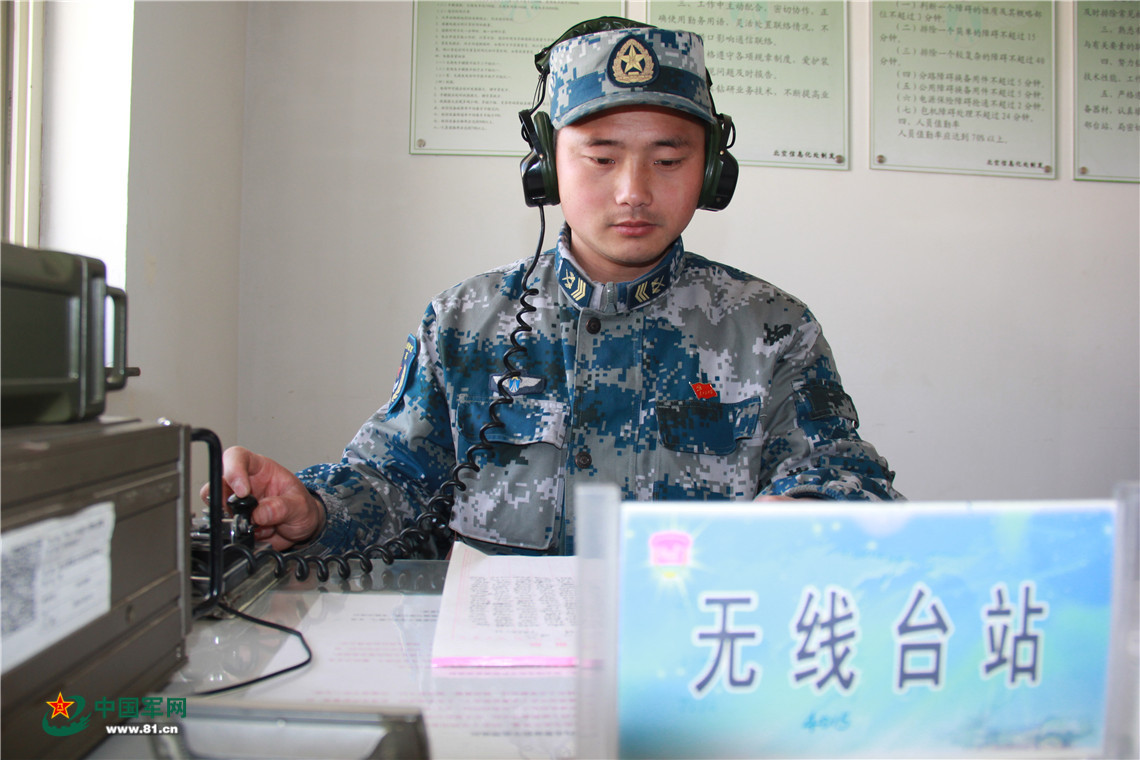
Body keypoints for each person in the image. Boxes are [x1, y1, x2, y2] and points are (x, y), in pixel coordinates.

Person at [207, 19, 901, 560]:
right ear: (545, 167)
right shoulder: (465, 324)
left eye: (669, 159)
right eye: (600, 157)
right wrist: (313, 509)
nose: (633, 191)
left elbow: (846, 475)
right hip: (498, 672)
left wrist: (808, 507)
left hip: (689, 666)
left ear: (713, 173)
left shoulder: (772, 329)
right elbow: (393, 480)